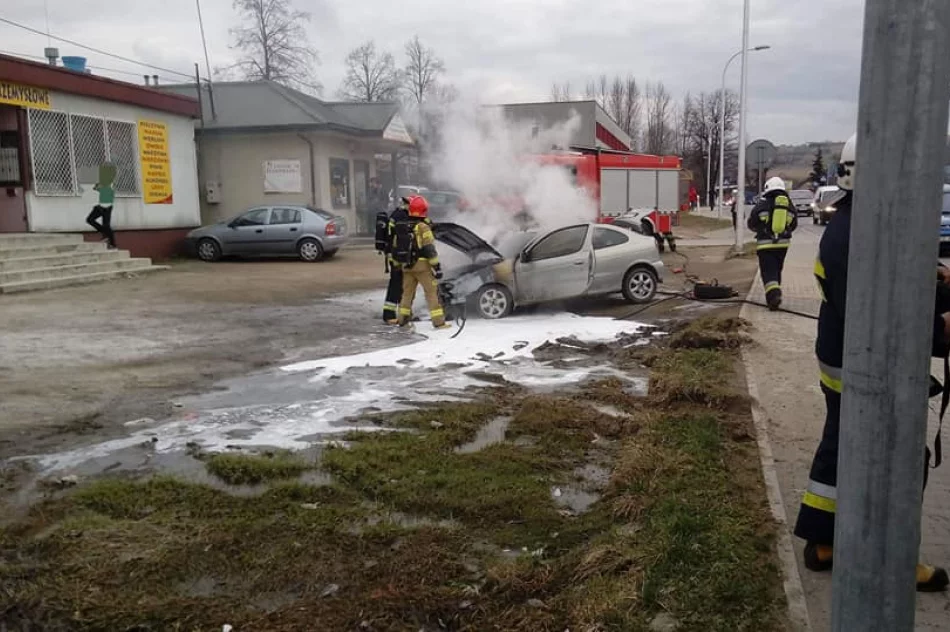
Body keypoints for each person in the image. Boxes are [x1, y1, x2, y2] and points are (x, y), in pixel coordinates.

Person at [793, 133, 950, 592]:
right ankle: (893, 556)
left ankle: (824, 542)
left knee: (843, 447)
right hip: (865, 367)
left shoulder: (859, 221)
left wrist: (935, 280)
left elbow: (893, 288)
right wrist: (940, 329)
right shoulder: (860, 233)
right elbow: (880, 316)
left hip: (845, 358)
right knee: (899, 458)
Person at [393, 196, 450, 330]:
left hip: (406, 266)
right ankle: (438, 322)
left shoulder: (402, 226)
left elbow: (395, 248)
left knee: (407, 294)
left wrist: (397, 265)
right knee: (431, 293)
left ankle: (402, 320)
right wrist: (437, 266)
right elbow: (429, 248)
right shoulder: (423, 227)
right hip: (422, 267)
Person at [747, 177, 797, 310]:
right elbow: (794, 224)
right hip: (783, 244)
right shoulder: (789, 205)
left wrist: (760, 230)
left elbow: (752, 222)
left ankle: (774, 295)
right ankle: (774, 298)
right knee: (777, 269)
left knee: (768, 271)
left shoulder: (762, 204)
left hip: (765, 244)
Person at [381, 197, 410, 324]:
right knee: (397, 285)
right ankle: (390, 314)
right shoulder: (402, 217)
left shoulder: (396, 214)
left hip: (393, 256)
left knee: (396, 285)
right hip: (398, 258)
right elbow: (403, 239)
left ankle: (393, 313)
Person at [87, 178, 116, 249]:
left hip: (107, 206)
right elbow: (94, 189)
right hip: (99, 206)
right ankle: (105, 234)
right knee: (90, 219)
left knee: (106, 225)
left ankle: (113, 244)